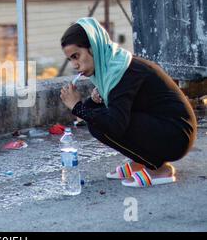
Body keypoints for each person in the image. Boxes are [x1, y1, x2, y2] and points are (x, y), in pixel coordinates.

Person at [59, 17, 197, 187]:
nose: (74, 65)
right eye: (70, 60)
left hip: (177, 136)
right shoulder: (112, 67)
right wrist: (91, 103)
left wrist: (77, 107)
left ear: (93, 48)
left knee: (99, 125)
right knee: (96, 114)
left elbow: (115, 124)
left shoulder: (122, 71)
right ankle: (141, 161)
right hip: (165, 127)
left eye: (76, 56)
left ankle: (159, 169)